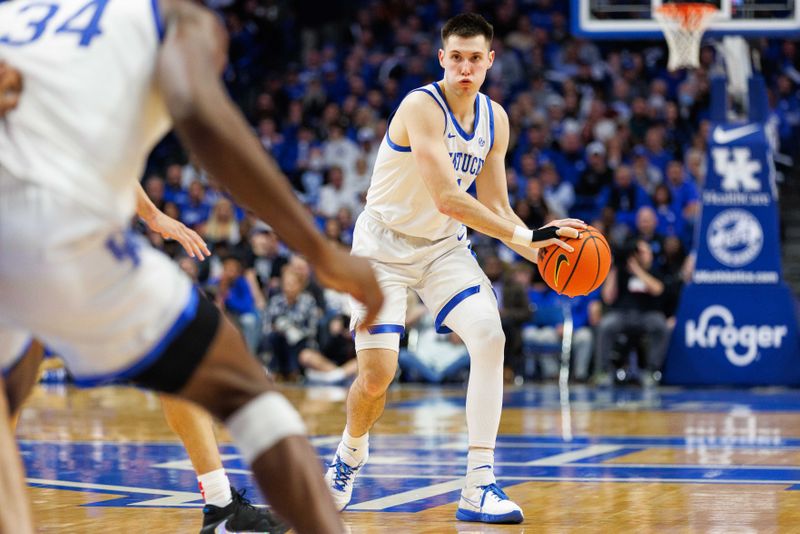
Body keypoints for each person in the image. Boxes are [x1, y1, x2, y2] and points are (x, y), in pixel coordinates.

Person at [0, 2, 383, 533]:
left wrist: (154, 216)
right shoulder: (173, 18)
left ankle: (220, 504)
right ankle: (251, 513)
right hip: (55, 238)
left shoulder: (14, 17)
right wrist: (318, 250)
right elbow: (200, 114)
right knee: (246, 392)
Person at [323, 13, 583, 525]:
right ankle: (350, 454)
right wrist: (524, 238)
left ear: (490, 61)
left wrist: (546, 252)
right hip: (381, 249)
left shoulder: (496, 119)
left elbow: (499, 209)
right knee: (377, 377)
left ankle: (479, 483)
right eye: (456, 57)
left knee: (490, 335)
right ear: (442, 58)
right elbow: (446, 197)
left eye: (475, 58)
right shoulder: (420, 106)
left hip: (443, 249)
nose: (465, 67)